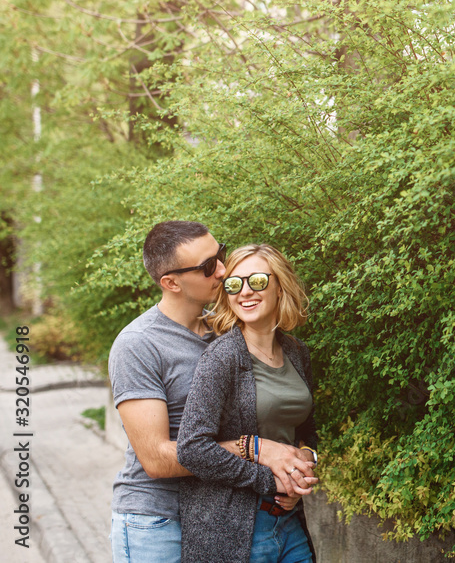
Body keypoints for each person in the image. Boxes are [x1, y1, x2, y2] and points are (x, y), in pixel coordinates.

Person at [108, 222, 317, 563]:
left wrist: (295, 467)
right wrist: (258, 451)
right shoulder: (138, 345)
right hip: (155, 519)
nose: (222, 271)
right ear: (171, 283)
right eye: (208, 267)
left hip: (222, 509)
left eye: (219, 256)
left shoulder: (225, 334)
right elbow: (157, 460)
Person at [177, 243, 319, 563]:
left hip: (288, 522)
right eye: (234, 284)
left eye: (256, 281)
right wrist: (272, 478)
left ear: (279, 285)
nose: (244, 292)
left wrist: (306, 465)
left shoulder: (297, 352)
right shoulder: (223, 357)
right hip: (235, 530)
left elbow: (306, 432)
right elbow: (192, 448)